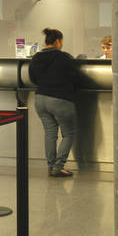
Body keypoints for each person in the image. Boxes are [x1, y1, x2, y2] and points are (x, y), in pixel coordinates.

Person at [29, 27, 81, 177]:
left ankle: (51, 166)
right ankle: (58, 167)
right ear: (58, 41)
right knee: (68, 134)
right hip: (60, 99)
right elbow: (75, 76)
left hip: (40, 99)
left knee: (50, 133)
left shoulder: (36, 57)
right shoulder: (64, 57)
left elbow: (33, 78)